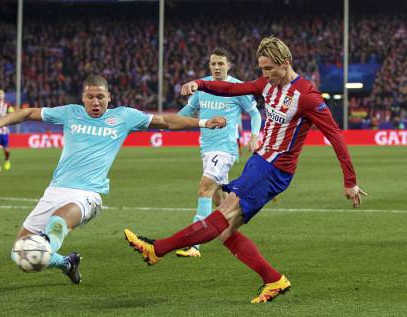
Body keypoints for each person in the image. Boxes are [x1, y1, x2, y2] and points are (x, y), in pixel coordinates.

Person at [124, 36, 367, 303]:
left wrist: (350, 181)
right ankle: (273, 279)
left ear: (285, 63)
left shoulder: (307, 96)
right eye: (261, 68)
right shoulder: (266, 85)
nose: (264, 75)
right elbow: (229, 90)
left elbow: (335, 135)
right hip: (260, 162)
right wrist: (200, 83)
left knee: (222, 216)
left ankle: (157, 249)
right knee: (226, 231)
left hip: (274, 169)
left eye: (269, 69)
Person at [0, 74, 226, 284]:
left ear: (109, 97)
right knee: (17, 253)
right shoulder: (70, 113)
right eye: (90, 97)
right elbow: (29, 112)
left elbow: (165, 121)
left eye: (100, 97)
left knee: (60, 219)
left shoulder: (124, 117)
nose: (95, 102)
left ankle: (47, 246)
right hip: (54, 190)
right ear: (83, 98)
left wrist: (204, 122)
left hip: (88, 195)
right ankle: (66, 262)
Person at [175, 48, 261, 258]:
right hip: (206, 148)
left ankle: (195, 245)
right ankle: (233, 233)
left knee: (204, 189)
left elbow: (254, 113)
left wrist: (254, 135)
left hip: (225, 150)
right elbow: (187, 112)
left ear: (228, 65)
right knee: (219, 200)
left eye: (220, 64)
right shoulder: (202, 87)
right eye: (213, 64)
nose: (216, 67)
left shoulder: (237, 87)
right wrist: (164, 123)